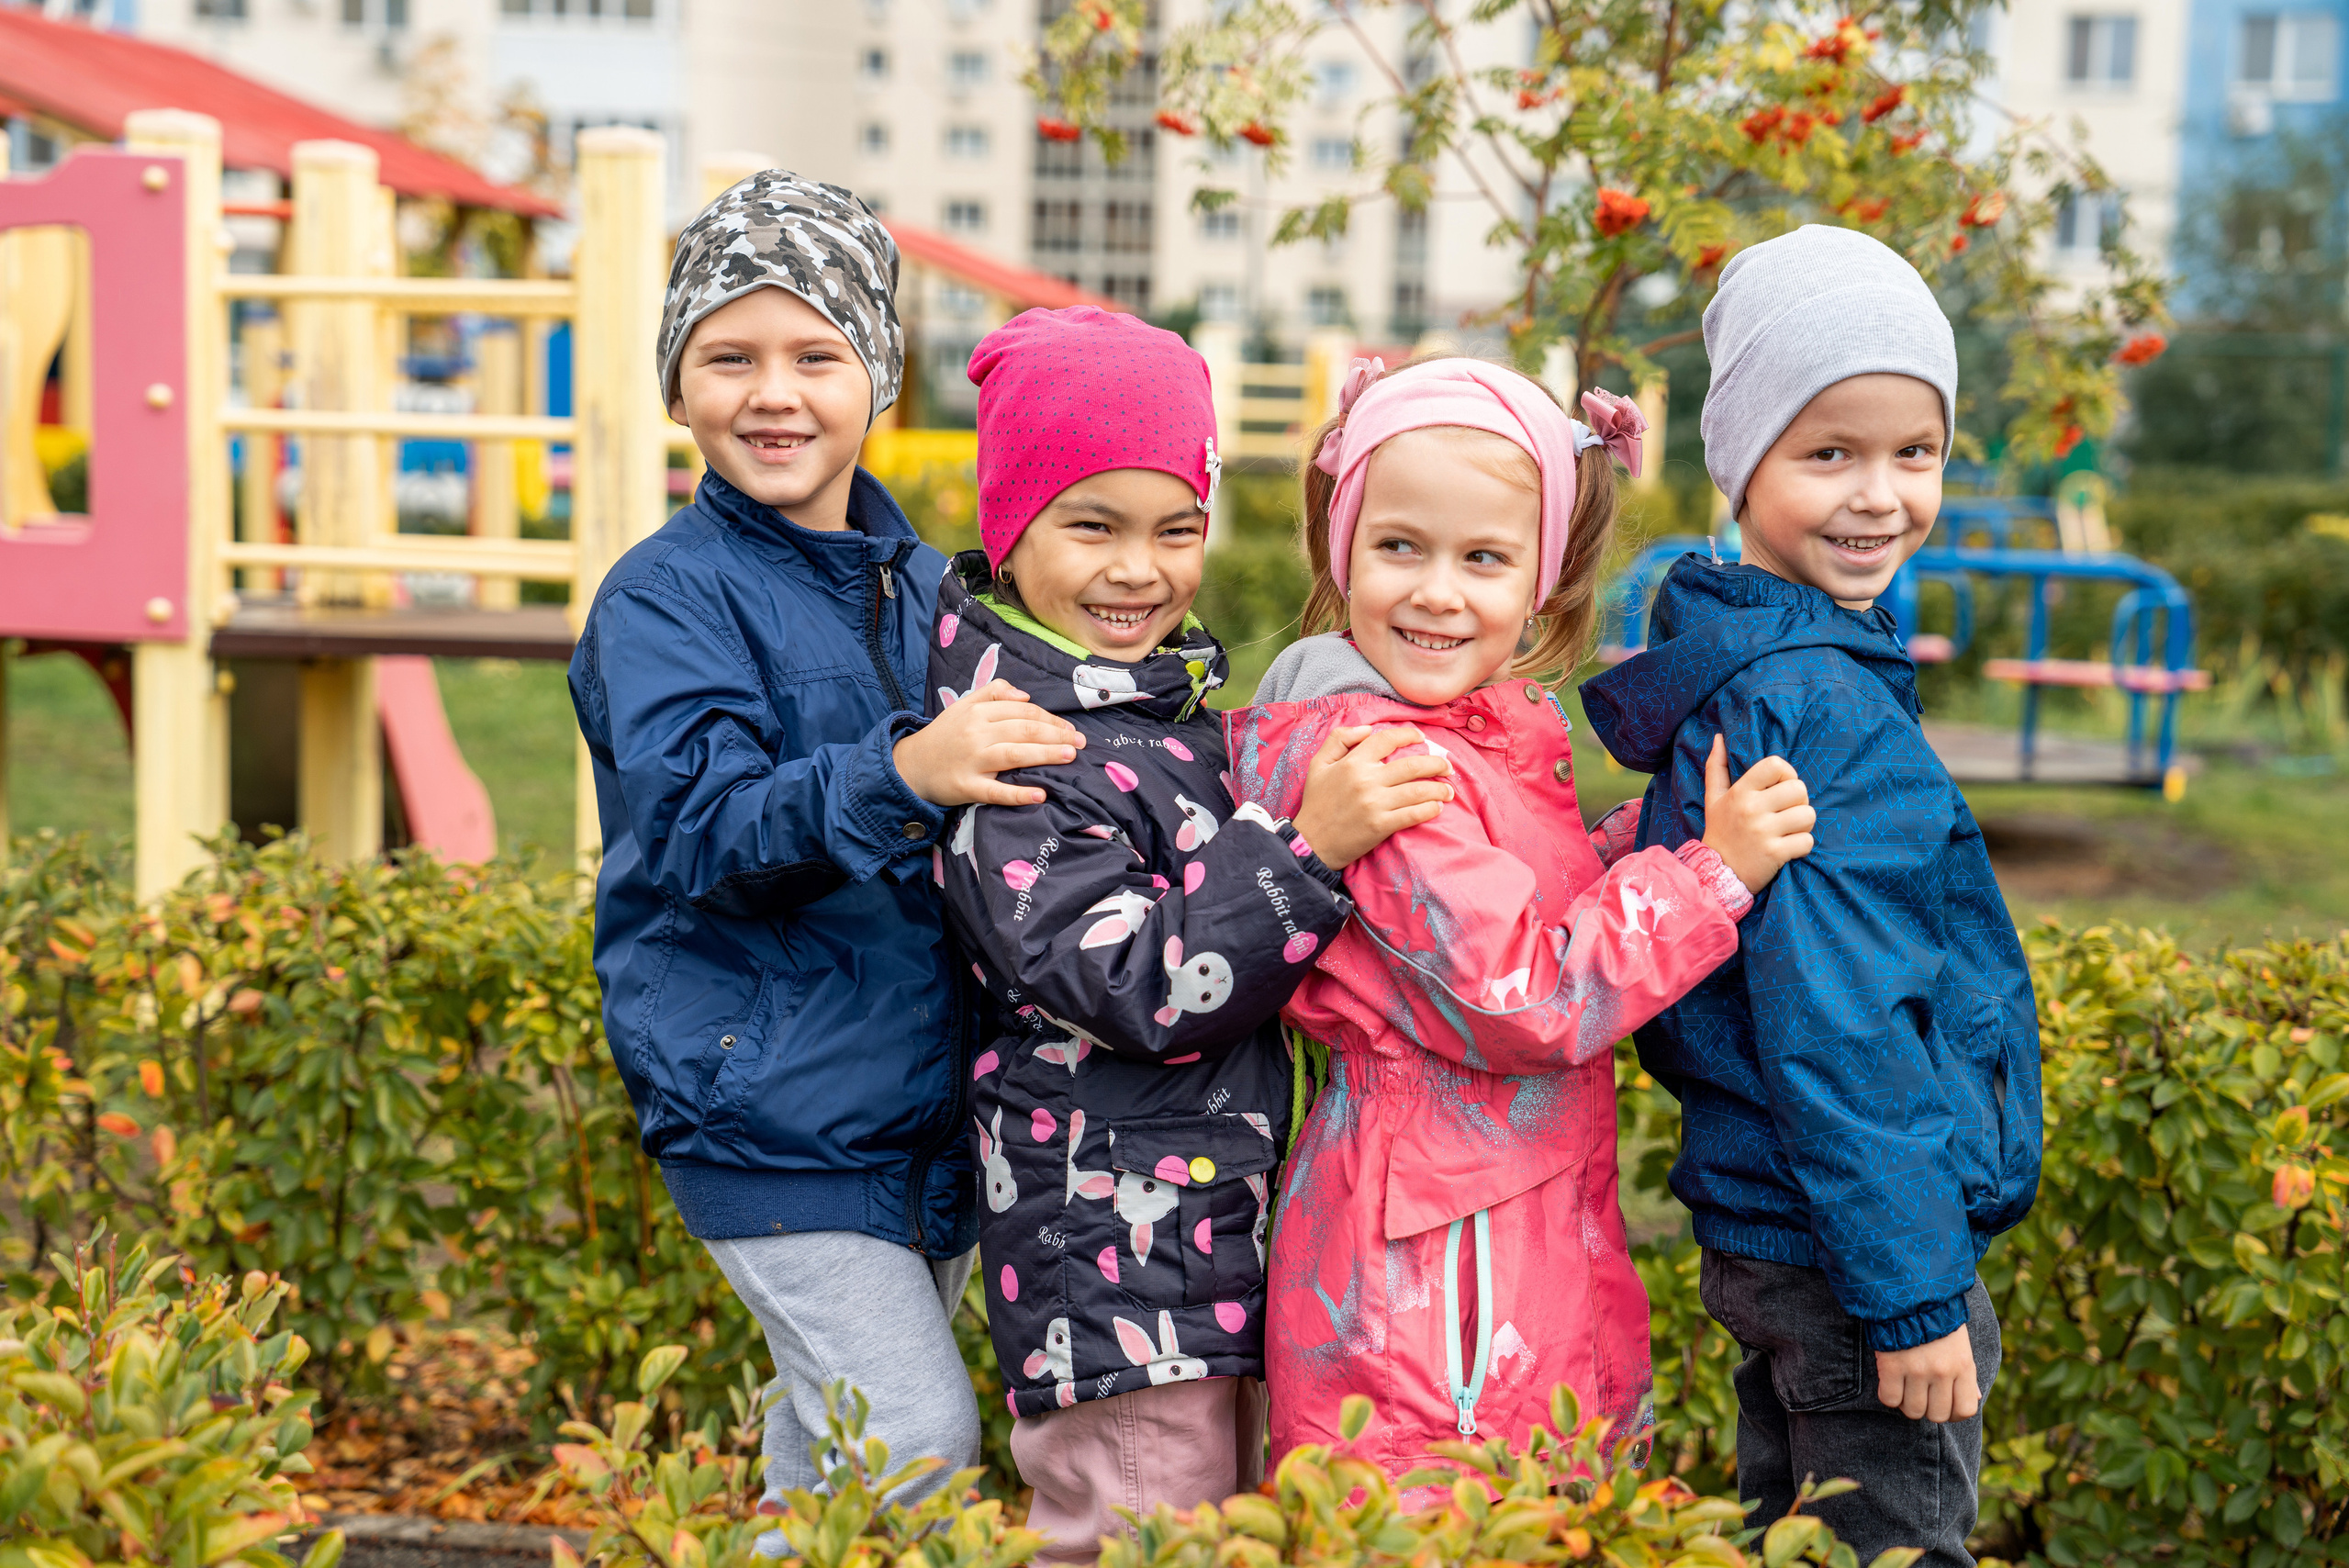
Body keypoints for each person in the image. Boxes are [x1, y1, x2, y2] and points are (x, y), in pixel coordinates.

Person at [567, 172, 1086, 1537]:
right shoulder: (666, 596)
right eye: (727, 357)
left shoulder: (931, 588)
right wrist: (901, 772)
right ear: (678, 386)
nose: (773, 392)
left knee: (829, 1459)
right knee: (907, 1439)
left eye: (815, 354)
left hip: (929, 1111)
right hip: (774, 1114)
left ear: (880, 377)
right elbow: (697, 828)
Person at [1227, 354, 1818, 1489]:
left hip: (1490, 1233)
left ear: (1539, 587)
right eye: (1401, 546)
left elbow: (1520, 898)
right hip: (1434, 1282)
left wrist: (1653, 830)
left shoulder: (1470, 735)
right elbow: (1526, 994)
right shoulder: (1383, 764)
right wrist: (1710, 876)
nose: (1439, 591)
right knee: (1450, 1510)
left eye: (1484, 559)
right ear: (1340, 548)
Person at [928, 308, 1455, 1562]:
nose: (1139, 570)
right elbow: (1131, 983)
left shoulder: (1157, 721)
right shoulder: (1016, 748)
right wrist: (1302, 849)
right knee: (1134, 1539)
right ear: (1011, 532)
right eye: (1091, 526)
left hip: (1206, 1258)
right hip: (1108, 1280)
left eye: (1176, 529)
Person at [1579, 224, 2043, 1568]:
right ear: (1739, 468)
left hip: (1783, 1229)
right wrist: (1908, 1294)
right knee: (1889, 1543)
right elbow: (1835, 1023)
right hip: (1852, 1252)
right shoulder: (1813, 701)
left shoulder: (1756, 664)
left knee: (1792, 1531)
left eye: (1914, 452)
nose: (1878, 496)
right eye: (1826, 452)